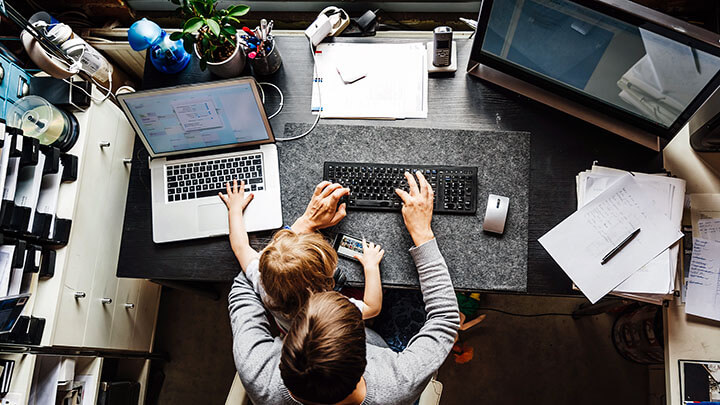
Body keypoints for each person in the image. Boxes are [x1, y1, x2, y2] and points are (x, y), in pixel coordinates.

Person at [227, 172, 460, 404]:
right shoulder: (397, 383)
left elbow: (244, 285)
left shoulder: (257, 373)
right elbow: (445, 320)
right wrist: (422, 234)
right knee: (408, 298)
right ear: (363, 359)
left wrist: (301, 228)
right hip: (383, 343)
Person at [219, 180, 385, 332]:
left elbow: (240, 246)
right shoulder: (329, 308)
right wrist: (371, 267)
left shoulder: (262, 278)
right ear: (325, 280)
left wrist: (234, 210)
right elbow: (372, 308)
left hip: (289, 329)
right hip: (323, 329)